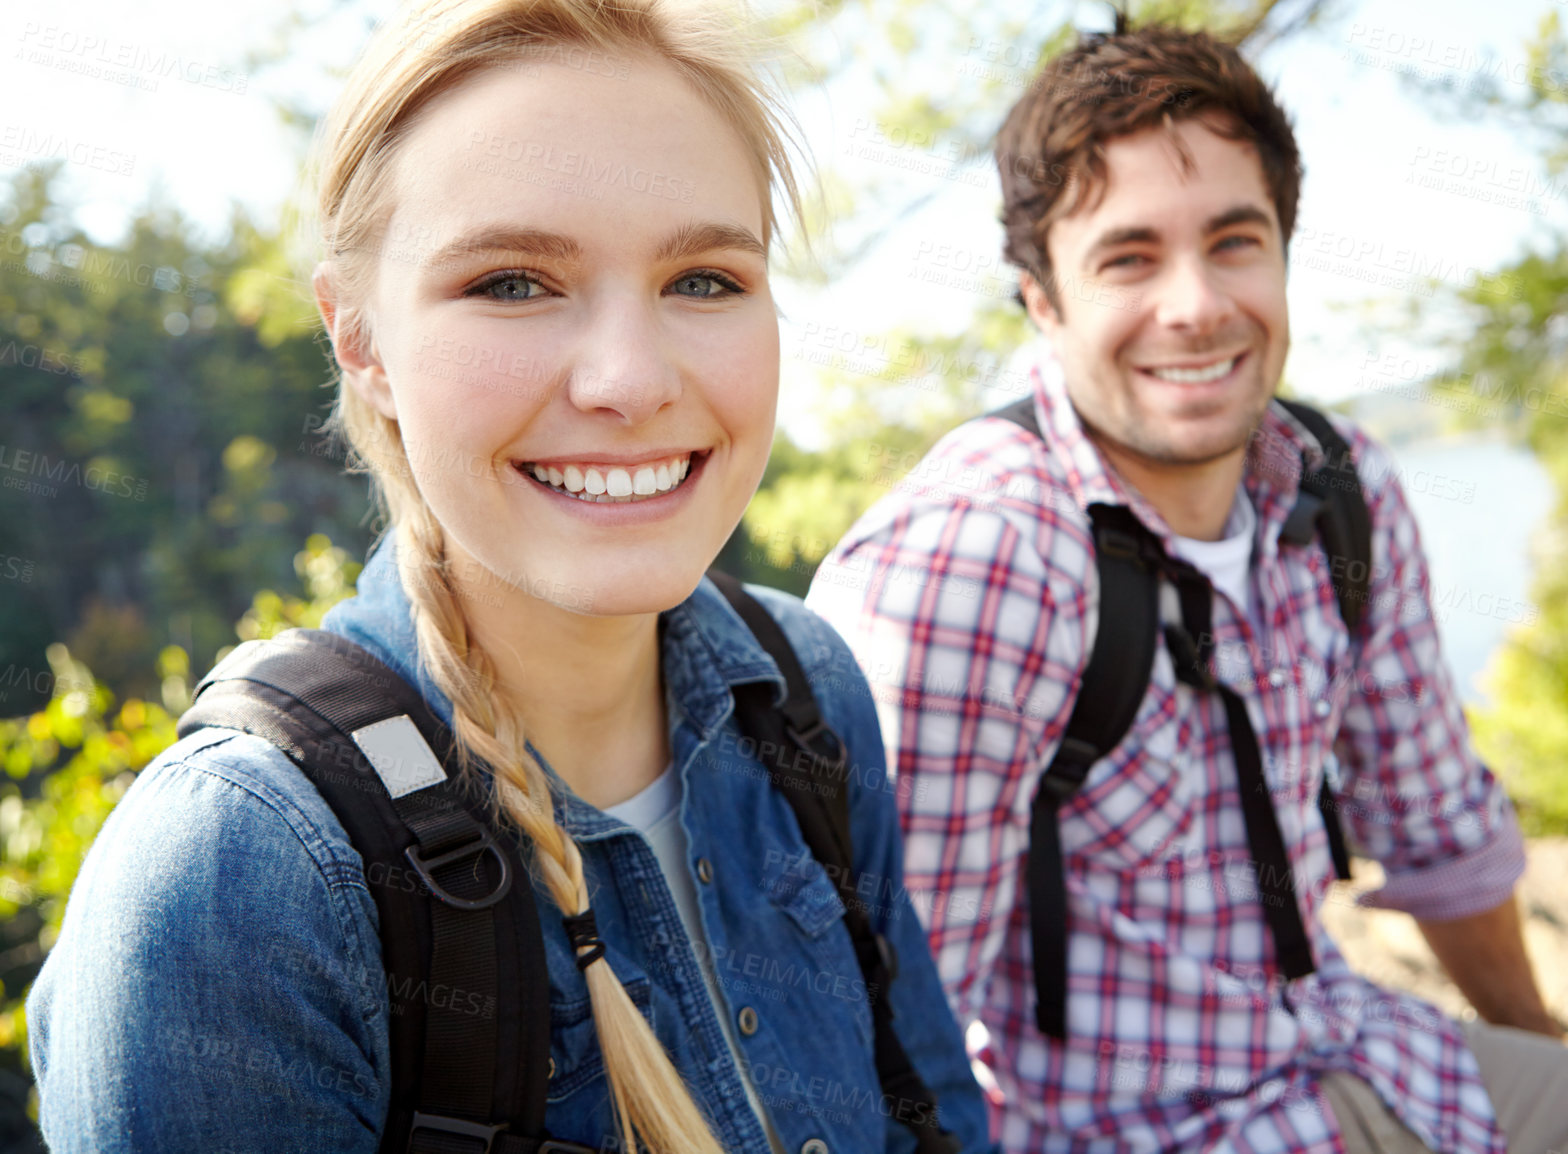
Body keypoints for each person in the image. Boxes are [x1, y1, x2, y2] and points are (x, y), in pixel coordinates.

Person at [24, 2, 994, 1151]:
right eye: (513, 282)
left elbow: (934, 1114)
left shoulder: (802, 685)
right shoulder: (238, 879)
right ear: (360, 340)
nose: (629, 380)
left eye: (704, 279)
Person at [804, 20, 1568, 1154]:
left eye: (1233, 241)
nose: (1193, 304)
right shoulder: (977, 559)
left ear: (1283, 254)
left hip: (1356, 1051)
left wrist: (1538, 1068)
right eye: (1128, 257)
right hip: (1113, 1127)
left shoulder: (1339, 489)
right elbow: (890, 1030)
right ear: (1041, 298)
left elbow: (1440, 830)